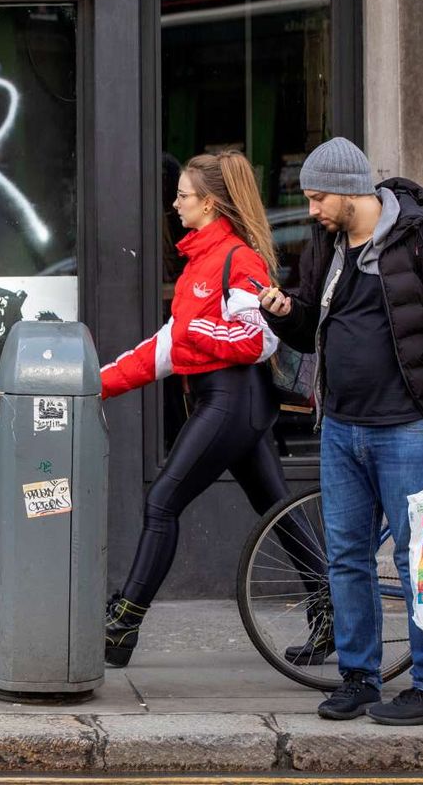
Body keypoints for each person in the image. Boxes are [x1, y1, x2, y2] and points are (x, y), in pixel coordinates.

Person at [260, 137, 423, 725]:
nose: (313, 210)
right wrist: (284, 310)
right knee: (346, 558)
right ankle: (359, 678)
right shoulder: (329, 247)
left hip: (406, 430)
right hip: (342, 426)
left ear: (350, 190)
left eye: (319, 197)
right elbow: (315, 328)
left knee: (421, 559)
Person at [101, 150, 319, 667]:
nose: (174, 204)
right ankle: (332, 614)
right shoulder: (199, 261)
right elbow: (163, 348)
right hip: (225, 402)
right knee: (277, 512)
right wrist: (94, 384)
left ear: (211, 204)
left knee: (161, 503)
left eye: (183, 195)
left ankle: (122, 625)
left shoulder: (237, 260)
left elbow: (255, 339)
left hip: (231, 401)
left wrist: (193, 334)